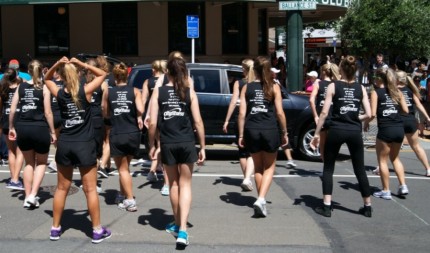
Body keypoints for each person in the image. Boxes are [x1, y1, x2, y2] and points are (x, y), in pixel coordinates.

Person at [44, 57, 111, 243]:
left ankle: (55, 228)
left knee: (61, 189)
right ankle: (97, 230)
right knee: (90, 190)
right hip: (84, 144)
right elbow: (103, 74)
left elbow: (46, 79)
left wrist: (56, 64)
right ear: (78, 75)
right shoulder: (85, 91)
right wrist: (82, 64)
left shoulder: (59, 93)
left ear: (63, 77)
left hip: (66, 143)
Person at [148, 56, 205, 247]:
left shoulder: (159, 92)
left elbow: (153, 122)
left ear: (167, 73)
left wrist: (151, 145)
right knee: (186, 185)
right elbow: (198, 122)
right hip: (187, 142)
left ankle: (177, 223)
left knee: (173, 185)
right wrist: (203, 146)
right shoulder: (189, 92)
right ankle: (182, 230)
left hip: (168, 143)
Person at [311, 55, 373, 218]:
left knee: (328, 167)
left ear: (341, 70)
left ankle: (326, 205)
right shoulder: (361, 88)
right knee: (360, 169)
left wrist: (317, 133)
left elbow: (324, 112)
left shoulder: (333, 86)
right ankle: (367, 206)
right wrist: (354, 118)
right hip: (354, 131)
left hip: (337, 129)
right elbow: (369, 113)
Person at [237, 56, 288, 218]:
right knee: (270, 167)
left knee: (258, 167)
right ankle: (261, 198)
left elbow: (242, 114)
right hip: (269, 129)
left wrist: (240, 134)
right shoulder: (274, 86)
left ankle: (261, 200)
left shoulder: (247, 87)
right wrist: (285, 132)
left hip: (252, 129)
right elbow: (280, 112)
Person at [8, 60, 56, 208]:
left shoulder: (21, 86)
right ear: (42, 70)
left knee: (28, 163)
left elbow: (13, 109)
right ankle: (33, 194)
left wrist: (11, 127)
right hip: (40, 127)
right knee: (41, 162)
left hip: (23, 127)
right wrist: (53, 131)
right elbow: (48, 112)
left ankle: (27, 196)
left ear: (28, 71)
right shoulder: (44, 87)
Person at [103, 62, 143, 211]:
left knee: (122, 169)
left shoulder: (108, 92)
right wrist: (137, 114)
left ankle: (130, 200)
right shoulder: (135, 91)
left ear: (114, 77)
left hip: (117, 132)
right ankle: (121, 194)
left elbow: (105, 112)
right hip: (132, 133)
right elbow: (140, 109)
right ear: (127, 76)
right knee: (124, 167)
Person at [364, 68, 409, 200]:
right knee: (395, 158)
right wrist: (394, 111)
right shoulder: (397, 92)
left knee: (382, 161)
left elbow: (372, 113)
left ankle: (386, 190)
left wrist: (366, 122)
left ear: (379, 80)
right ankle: (403, 185)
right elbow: (406, 110)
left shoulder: (376, 93)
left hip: (385, 129)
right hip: (398, 128)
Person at [223, 58, 255, 191]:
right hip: (254, 118)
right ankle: (248, 178)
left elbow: (233, 101)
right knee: (252, 151)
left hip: (240, 118)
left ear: (244, 69)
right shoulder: (257, 83)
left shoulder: (239, 83)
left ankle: (245, 178)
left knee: (242, 150)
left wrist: (226, 120)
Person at [141, 60, 170, 196]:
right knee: (162, 145)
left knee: (159, 144)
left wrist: (141, 116)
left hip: (152, 115)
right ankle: (161, 178)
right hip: (164, 115)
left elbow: (143, 100)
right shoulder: (167, 80)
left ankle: (153, 171)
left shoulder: (148, 82)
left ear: (154, 69)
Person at [396, 70, 430, 177]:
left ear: (396, 79)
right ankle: (428, 168)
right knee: (416, 146)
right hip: (410, 120)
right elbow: (419, 105)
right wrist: (428, 117)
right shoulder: (410, 90)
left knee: (390, 146)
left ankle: (381, 166)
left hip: (398, 120)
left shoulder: (393, 90)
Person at [309, 63, 341, 161]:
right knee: (332, 142)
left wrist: (315, 115)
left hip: (322, 115)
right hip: (333, 115)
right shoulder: (335, 84)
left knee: (322, 142)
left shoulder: (318, 83)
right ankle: (330, 161)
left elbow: (311, 100)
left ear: (323, 72)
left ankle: (324, 161)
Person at [1, 68, 24, 190]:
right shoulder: (21, 87)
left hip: (5, 120)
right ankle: (15, 179)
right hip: (19, 120)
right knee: (20, 151)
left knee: (11, 151)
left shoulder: (3, 89)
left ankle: (12, 178)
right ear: (16, 76)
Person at [271, 67, 296, 168]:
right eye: (274, 73)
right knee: (279, 137)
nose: (275, 74)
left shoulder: (276, 83)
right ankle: (274, 160)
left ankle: (289, 159)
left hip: (276, 113)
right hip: (273, 114)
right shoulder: (273, 84)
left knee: (283, 136)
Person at [97, 56, 116, 177]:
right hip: (109, 110)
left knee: (104, 139)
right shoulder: (110, 78)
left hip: (98, 112)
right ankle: (103, 165)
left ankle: (107, 164)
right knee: (109, 140)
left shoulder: (95, 78)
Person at [47, 69, 64, 172]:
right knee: (60, 139)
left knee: (56, 139)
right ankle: (57, 159)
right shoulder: (65, 83)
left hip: (53, 114)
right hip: (61, 114)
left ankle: (57, 159)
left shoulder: (50, 84)